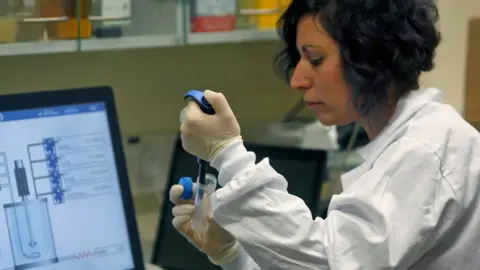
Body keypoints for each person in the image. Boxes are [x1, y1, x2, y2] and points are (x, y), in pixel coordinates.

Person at [170, 0, 480, 269]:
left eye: (315, 59)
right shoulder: (405, 143)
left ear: (371, 56)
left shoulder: (428, 149)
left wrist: (228, 155)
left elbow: (330, 261)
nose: (298, 80)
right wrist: (232, 254)